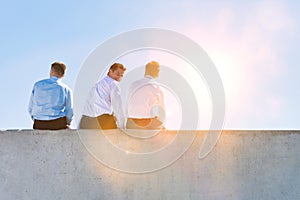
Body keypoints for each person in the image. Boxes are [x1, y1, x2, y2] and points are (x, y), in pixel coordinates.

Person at [79, 63, 126, 129]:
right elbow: (118, 107)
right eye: (117, 74)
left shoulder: (97, 85)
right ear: (110, 71)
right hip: (103, 122)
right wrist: (122, 127)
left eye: (121, 75)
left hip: (86, 122)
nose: (119, 77)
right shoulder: (113, 84)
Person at [28, 61, 73, 130]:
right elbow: (69, 110)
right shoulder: (66, 89)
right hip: (58, 123)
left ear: (51, 71)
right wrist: (67, 122)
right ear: (63, 75)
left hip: (39, 123)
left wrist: (36, 118)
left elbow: (30, 107)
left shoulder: (37, 85)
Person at [126, 61, 165, 129]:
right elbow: (162, 109)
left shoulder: (132, 85)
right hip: (147, 123)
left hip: (130, 123)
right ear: (157, 71)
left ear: (146, 70)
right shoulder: (157, 87)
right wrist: (162, 125)